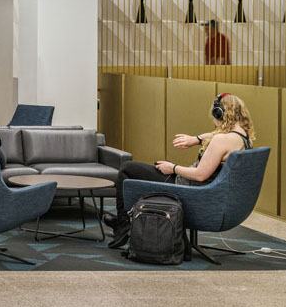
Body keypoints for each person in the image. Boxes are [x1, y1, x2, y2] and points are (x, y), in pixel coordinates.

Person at [104, 92, 255, 246]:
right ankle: (124, 221)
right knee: (144, 169)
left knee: (127, 169)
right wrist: (196, 139)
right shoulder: (243, 137)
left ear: (220, 113)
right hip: (210, 192)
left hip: (189, 189)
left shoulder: (221, 140)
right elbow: (216, 133)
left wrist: (173, 168)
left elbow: (200, 175)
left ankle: (122, 225)